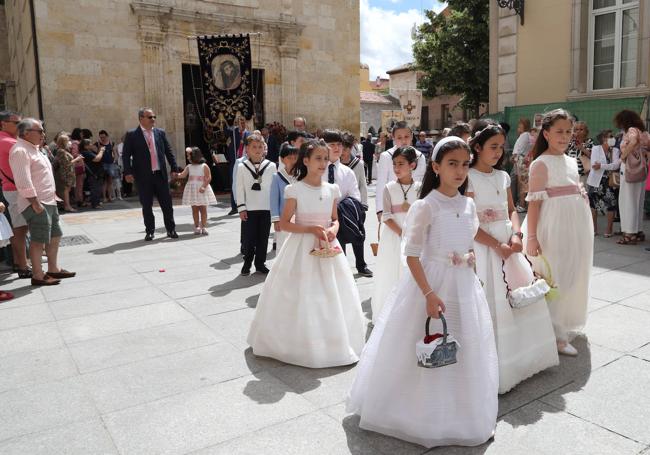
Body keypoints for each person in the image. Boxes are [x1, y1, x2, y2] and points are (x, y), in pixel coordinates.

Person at [347, 136, 498, 448]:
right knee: (423, 344)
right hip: (430, 284)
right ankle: (417, 412)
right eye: (452, 164)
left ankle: (459, 411)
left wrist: (473, 274)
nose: (459, 171)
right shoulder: (426, 205)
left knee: (463, 345)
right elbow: (412, 254)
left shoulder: (468, 204)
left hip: (463, 284)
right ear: (436, 166)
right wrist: (429, 293)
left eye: (464, 164)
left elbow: (468, 243)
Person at [247, 139, 365, 368]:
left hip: (328, 247)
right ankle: (297, 342)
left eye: (325, 158)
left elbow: (335, 218)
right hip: (301, 246)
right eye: (318, 158)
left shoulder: (332, 189)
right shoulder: (295, 189)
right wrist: (310, 229)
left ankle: (333, 339)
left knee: (331, 291)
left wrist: (333, 229)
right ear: (306, 161)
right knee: (302, 292)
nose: (323, 163)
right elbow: (285, 223)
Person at [467, 120, 558, 393]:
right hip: (485, 245)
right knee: (494, 300)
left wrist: (517, 235)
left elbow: (511, 209)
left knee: (521, 296)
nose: (498, 152)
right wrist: (496, 245)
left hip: (509, 243)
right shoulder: (469, 176)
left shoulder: (503, 176)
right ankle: (494, 364)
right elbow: (469, 221)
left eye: (501, 147)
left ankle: (524, 360)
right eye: (492, 147)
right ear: (477, 147)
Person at [523, 109, 593, 356]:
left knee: (573, 272)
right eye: (559, 132)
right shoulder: (540, 163)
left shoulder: (571, 160)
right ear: (546, 133)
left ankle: (563, 323)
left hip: (575, 226)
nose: (564, 136)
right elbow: (534, 203)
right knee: (555, 276)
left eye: (568, 131)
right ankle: (555, 336)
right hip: (553, 226)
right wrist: (531, 237)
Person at [9, 118, 76, 286]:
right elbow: (23, 180)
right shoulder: (20, 150)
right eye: (39, 131)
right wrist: (34, 203)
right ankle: (38, 275)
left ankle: (53, 268)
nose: (43, 134)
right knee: (38, 238)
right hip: (36, 202)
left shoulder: (36, 149)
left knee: (55, 234)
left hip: (49, 200)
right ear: (25, 133)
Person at [372, 146, 421, 324]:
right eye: (394, 164)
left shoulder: (420, 188)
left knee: (410, 272)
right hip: (393, 236)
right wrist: (402, 233)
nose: (396, 168)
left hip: (414, 237)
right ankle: (390, 313)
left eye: (401, 163)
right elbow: (386, 216)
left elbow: (423, 214)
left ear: (412, 165)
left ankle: (409, 313)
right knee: (391, 272)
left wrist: (413, 233)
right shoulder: (389, 188)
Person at [123, 108, 180, 240]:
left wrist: (174, 168)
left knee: (167, 204)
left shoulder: (160, 133)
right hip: (143, 177)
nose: (153, 119)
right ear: (141, 119)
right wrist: (127, 172)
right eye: (150, 117)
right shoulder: (132, 135)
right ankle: (150, 231)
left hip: (160, 175)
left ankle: (171, 229)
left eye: (154, 117)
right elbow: (126, 155)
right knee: (147, 205)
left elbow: (168, 151)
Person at [322, 129, 372, 277]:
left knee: (348, 245)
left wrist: (340, 209)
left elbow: (355, 196)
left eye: (339, 144)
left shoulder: (347, 172)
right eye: (332, 145)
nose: (337, 148)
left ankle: (357, 267)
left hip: (343, 217)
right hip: (321, 220)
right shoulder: (315, 169)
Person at [236, 133, 277, 276]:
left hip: (266, 208)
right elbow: (239, 188)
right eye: (254, 147)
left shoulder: (271, 166)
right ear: (247, 149)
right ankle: (247, 262)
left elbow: (274, 188)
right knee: (249, 238)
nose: (258, 150)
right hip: (250, 209)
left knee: (263, 238)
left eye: (260, 146)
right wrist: (241, 208)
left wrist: (275, 208)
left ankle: (260, 263)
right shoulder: (242, 167)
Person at [0, 110, 32, 278]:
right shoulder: (7, 141)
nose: (20, 126)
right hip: (16, 190)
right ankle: (22, 265)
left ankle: (21, 263)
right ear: (3, 124)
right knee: (20, 229)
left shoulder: (8, 140)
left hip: (14, 189)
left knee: (21, 228)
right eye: (16, 123)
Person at [375, 121, 426, 221]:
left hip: (414, 207)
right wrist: (380, 210)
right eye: (399, 137)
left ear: (412, 136)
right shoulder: (386, 156)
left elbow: (422, 183)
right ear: (393, 138)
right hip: (392, 206)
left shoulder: (419, 157)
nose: (403, 141)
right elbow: (381, 184)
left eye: (406, 136)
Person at [614, 109, 648, 245]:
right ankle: (637, 230)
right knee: (638, 201)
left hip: (629, 167)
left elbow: (633, 142)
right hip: (640, 168)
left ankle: (629, 234)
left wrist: (624, 155)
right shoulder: (643, 131)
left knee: (627, 201)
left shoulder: (631, 130)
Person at [587, 130, 620, 237]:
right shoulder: (596, 149)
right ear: (603, 139)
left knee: (611, 204)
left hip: (609, 181)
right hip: (595, 181)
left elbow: (615, 166)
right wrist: (605, 165)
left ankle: (609, 228)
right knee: (593, 205)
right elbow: (593, 165)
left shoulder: (615, 150)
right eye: (610, 136)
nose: (613, 138)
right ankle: (593, 228)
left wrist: (601, 165)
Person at [177, 147, 217, 235]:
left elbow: (208, 177)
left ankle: (203, 226)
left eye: (189, 156)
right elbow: (183, 175)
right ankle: (197, 227)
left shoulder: (204, 166)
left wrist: (204, 186)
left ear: (194, 156)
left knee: (203, 209)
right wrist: (176, 174)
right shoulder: (189, 167)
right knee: (194, 209)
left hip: (201, 189)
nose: (188, 157)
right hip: (192, 190)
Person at [270, 145, 298, 252]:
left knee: (297, 247)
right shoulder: (276, 177)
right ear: (282, 159)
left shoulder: (301, 176)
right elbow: (273, 200)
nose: (292, 161)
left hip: (299, 218)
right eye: (289, 158)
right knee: (282, 247)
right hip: (283, 218)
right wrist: (276, 220)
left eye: (295, 158)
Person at [227, 116, 251, 215]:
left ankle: (246, 204)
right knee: (234, 182)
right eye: (238, 122)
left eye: (242, 121)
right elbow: (225, 131)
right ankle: (234, 206)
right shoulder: (234, 132)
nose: (240, 123)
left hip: (246, 161)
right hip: (235, 161)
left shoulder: (248, 134)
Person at [53, 133, 83, 212]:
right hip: (65, 174)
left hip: (68, 174)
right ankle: (67, 206)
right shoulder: (61, 151)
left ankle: (67, 205)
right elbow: (66, 164)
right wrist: (77, 159)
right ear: (64, 142)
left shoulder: (63, 151)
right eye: (68, 140)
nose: (69, 142)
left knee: (67, 190)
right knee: (65, 190)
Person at [341, 132, 368, 207]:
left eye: (345, 149)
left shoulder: (358, 164)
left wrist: (364, 203)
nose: (342, 152)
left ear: (351, 148)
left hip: (353, 204)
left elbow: (362, 184)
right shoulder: (335, 163)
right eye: (341, 149)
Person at [566, 121, 593, 186]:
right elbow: (564, 152)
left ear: (586, 131)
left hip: (583, 173)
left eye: (581, 129)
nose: (578, 131)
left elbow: (591, 156)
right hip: (570, 173)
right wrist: (569, 139)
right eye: (576, 130)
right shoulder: (570, 141)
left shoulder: (588, 141)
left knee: (582, 192)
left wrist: (582, 148)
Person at [79, 139, 105, 209]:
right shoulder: (85, 153)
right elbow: (97, 159)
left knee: (98, 188)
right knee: (95, 189)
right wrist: (102, 151)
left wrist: (99, 149)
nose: (92, 145)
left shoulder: (89, 151)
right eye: (90, 144)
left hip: (97, 173)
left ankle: (96, 203)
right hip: (94, 173)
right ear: (86, 146)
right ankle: (95, 204)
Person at [96, 130, 117, 202]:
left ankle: (110, 197)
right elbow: (97, 153)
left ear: (107, 136)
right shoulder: (98, 144)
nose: (102, 139)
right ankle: (104, 197)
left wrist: (114, 159)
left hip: (110, 164)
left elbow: (114, 152)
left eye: (104, 137)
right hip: (103, 164)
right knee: (104, 181)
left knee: (110, 181)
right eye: (101, 137)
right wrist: (99, 147)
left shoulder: (111, 143)